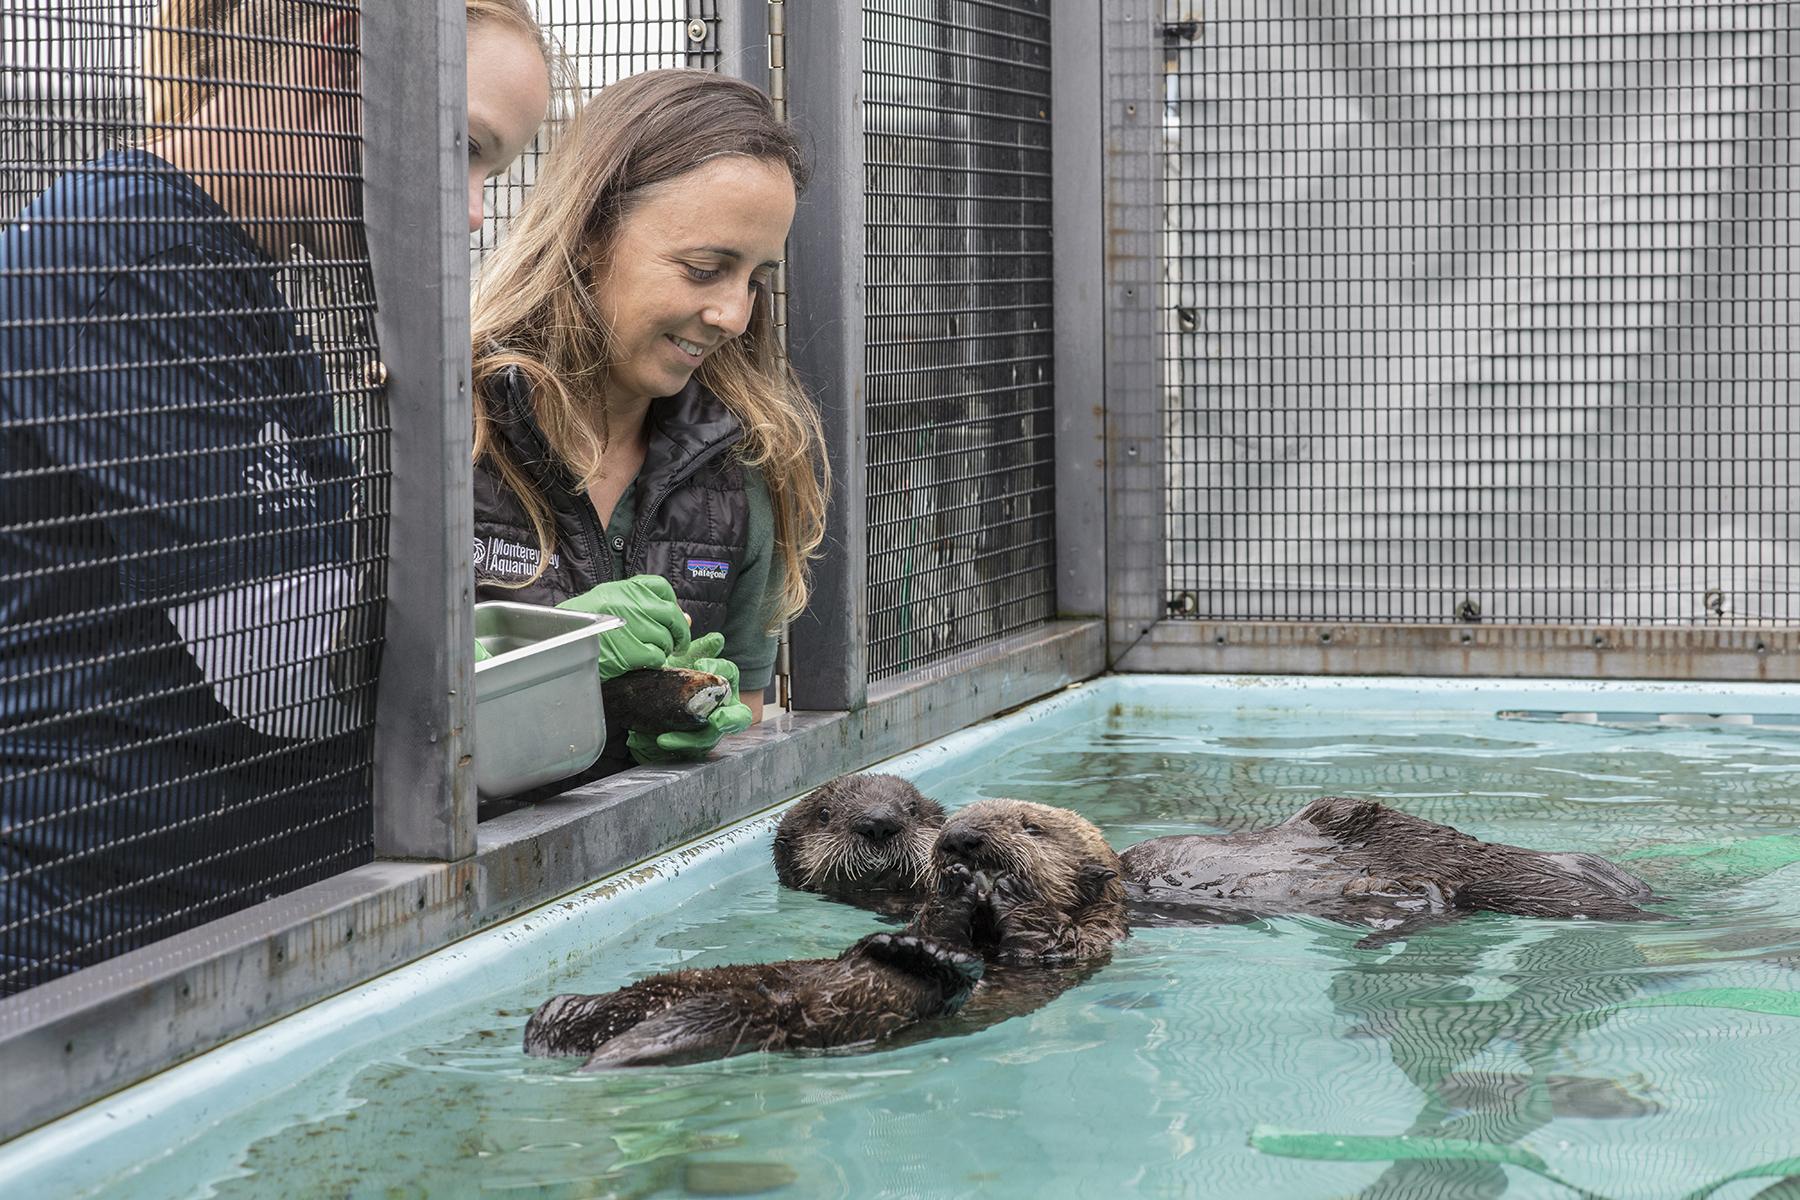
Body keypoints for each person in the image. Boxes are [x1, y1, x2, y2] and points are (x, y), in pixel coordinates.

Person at [0, 0, 552, 993]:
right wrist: (541, 660)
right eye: (463, 149)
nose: (472, 212)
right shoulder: (117, 251)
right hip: (85, 953)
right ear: (349, 60)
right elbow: (285, 670)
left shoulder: (251, 279)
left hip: (214, 938)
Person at [469, 69, 828, 770]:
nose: (733, 315)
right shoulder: (453, 427)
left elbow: (747, 713)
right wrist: (547, 653)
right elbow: (358, 700)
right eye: (704, 268)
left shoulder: (747, 461)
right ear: (589, 233)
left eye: (754, 278)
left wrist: (700, 722)